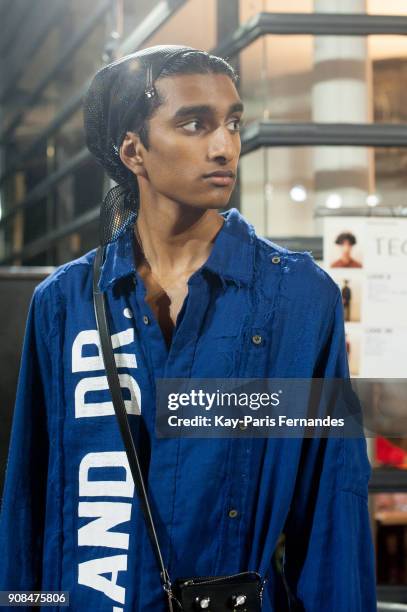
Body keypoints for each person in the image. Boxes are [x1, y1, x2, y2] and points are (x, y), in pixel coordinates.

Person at [0, 45, 376, 611]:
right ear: (133, 150)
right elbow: (31, 502)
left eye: (232, 122)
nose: (225, 146)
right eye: (194, 123)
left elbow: (331, 509)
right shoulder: (66, 303)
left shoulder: (298, 298)